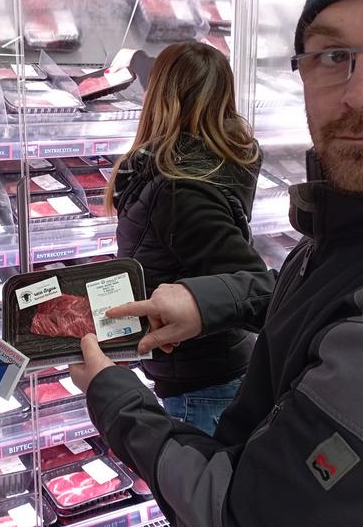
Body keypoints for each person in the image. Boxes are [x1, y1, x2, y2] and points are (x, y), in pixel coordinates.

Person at [71, 0, 363, 525]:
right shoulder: (351, 228)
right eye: (333, 53)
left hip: (198, 379)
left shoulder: (182, 190)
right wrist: (206, 301)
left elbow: (234, 508)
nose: (362, 92)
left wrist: (112, 392)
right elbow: (291, 300)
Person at [104, 41, 275, 434]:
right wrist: (134, 57)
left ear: (158, 94)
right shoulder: (218, 158)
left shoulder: (182, 189)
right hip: (203, 369)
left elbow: (254, 287)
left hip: (204, 386)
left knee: (196, 492)